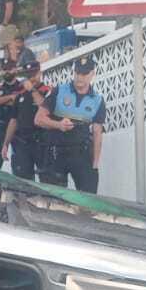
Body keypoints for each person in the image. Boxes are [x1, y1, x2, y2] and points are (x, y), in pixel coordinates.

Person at [34, 55, 107, 192]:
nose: (80, 77)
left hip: (80, 153)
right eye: (77, 72)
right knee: (55, 198)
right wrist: (59, 125)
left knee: (88, 198)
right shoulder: (59, 91)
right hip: (56, 153)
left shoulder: (97, 101)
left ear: (92, 74)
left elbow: (97, 133)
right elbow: (38, 119)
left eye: (84, 73)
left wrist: (95, 163)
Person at [6, 67, 51, 182]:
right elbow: (13, 121)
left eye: (33, 75)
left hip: (42, 143)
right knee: (23, 182)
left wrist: (32, 90)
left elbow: (45, 105)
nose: (31, 79)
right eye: (28, 76)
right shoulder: (20, 95)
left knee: (48, 181)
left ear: (40, 74)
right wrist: (5, 144)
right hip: (23, 143)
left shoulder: (47, 91)